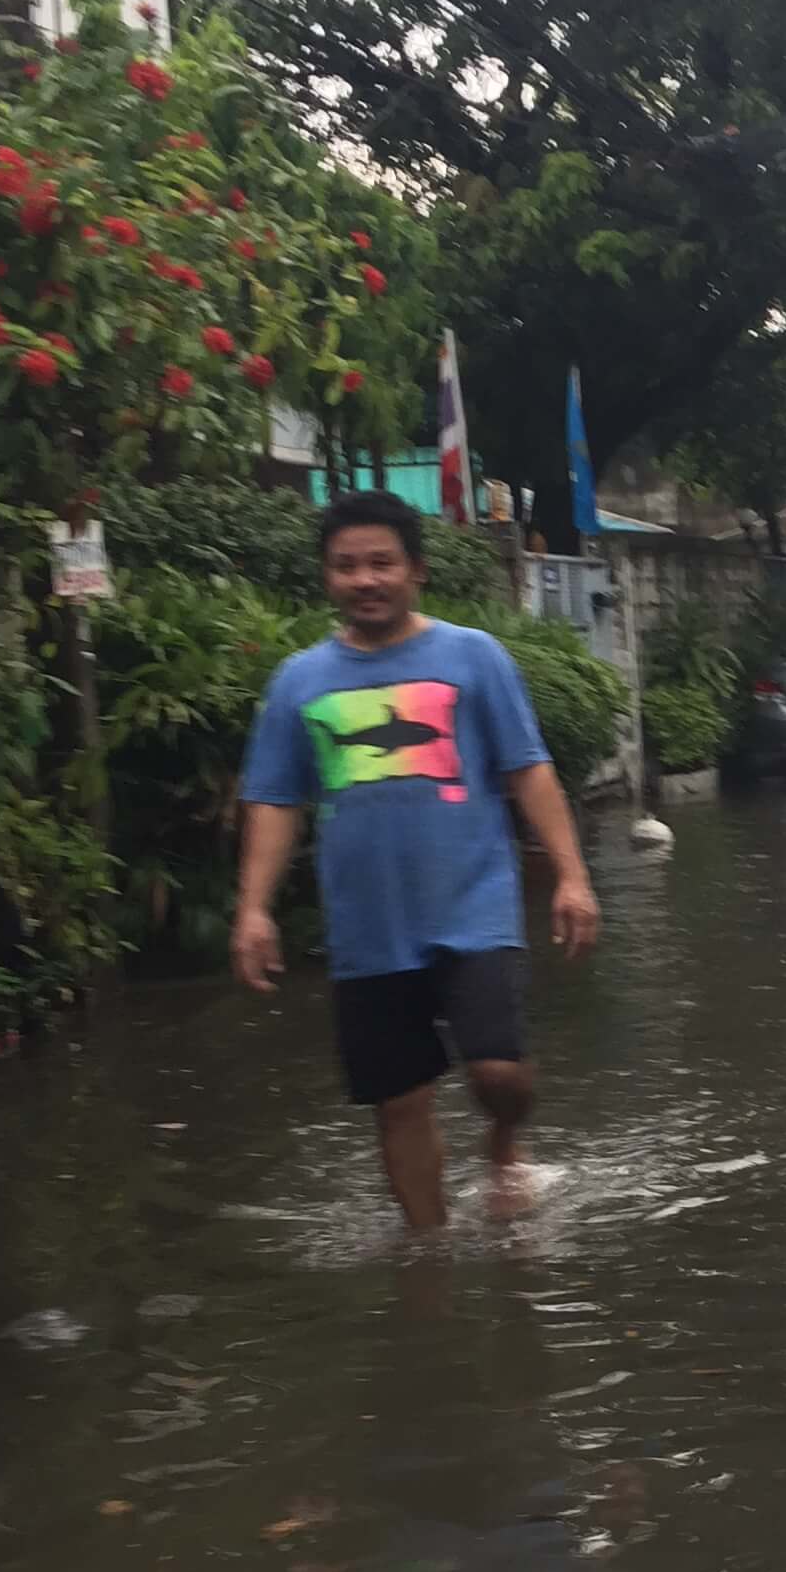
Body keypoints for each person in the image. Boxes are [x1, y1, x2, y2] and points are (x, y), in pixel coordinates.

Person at [234, 491, 602, 1229]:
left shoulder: (474, 657)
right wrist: (253, 909)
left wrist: (572, 876)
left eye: (382, 563)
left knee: (498, 1071)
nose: (365, 580)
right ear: (327, 576)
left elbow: (528, 770)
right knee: (399, 1101)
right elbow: (274, 800)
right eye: (347, 567)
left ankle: (505, 1140)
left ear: (416, 570)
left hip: (473, 907)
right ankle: (428, 1252)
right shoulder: (299, 680)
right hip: (366, 929)